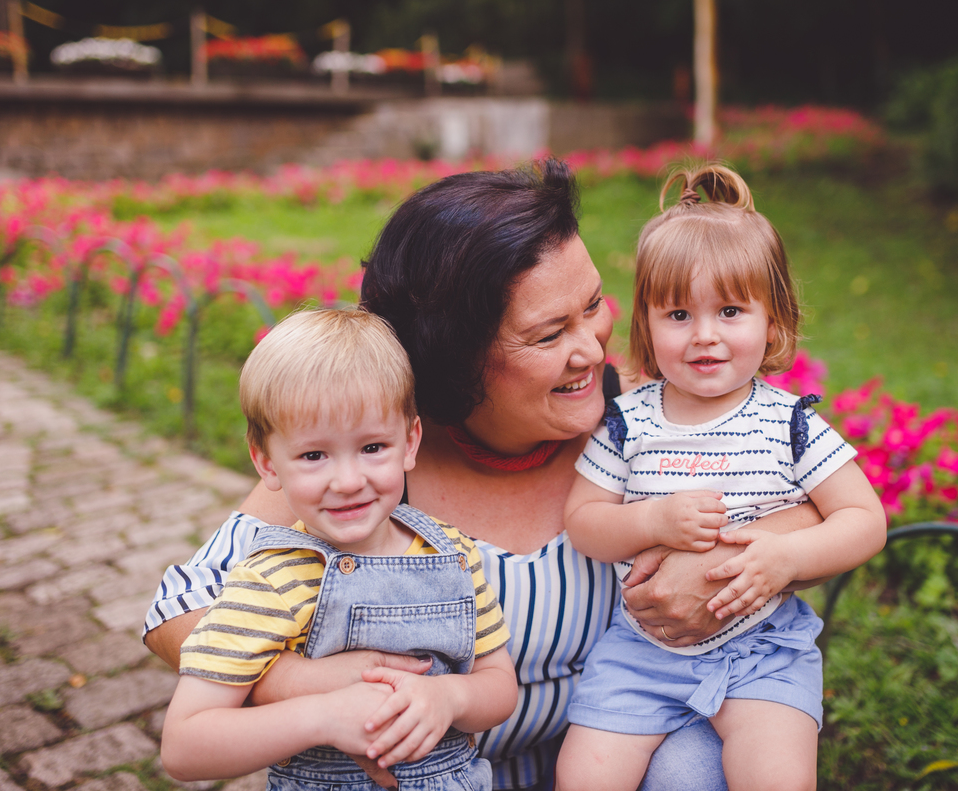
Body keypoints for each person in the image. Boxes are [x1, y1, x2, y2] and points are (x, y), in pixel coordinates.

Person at [145, 158, 825, 791]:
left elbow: (826, 507)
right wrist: (306, 688)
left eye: (591, 305)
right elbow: (178, 608)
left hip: (602, 763)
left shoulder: (641, 426)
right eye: (548, 334)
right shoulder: (370, 460)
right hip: (430, 775)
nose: (592, 348)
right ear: (456, 357)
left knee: (694, 762)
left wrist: (732, 560)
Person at [555, 164, 887, 791]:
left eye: (730, 311)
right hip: (642, 653)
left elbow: (865, 521)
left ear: (775, 324)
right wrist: (649, 519)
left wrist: (784, 556)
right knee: (584, 776)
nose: (704, 336)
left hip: (764, 652)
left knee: (776, 777)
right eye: (678, 314)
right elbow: (584, 524)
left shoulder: (788, 424)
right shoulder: (629, 423)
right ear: (647, 327)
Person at [160, 308, 517, 790]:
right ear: (266, 462)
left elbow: (499, 685)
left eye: (373, 447)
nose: (348, 482)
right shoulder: (273, 580)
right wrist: (322, 716)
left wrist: (451, 698)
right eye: (313, 455)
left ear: (410, 441)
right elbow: (185, 745)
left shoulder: (451, 553)